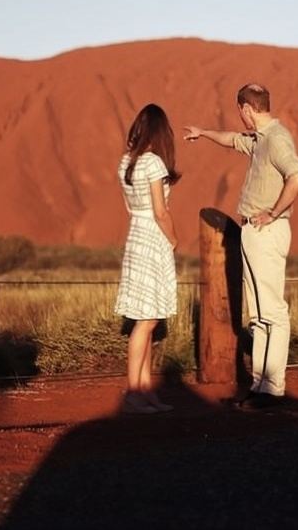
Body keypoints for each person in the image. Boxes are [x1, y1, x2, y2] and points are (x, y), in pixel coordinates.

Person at [183, 83, 298, 410]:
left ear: (247, 109)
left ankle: (273, 389)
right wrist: (203, 132)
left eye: (240, 111)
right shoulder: (259, 139)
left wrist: (273, 212)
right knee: (259, 315)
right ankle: (260, 386)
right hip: (252, 231)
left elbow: (297, 177)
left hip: (267, 230)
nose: (240, 117)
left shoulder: (276, 139)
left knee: (273, 313)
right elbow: (232, 140)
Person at [114, 103, 182, 414]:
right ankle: (133, 394)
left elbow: (131, 208)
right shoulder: (154, 163)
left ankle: (145, 391)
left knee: (148, 318)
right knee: (146, 321)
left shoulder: (127, 161)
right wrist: (173, 239)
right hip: (153, 237)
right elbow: (160, 211)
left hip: (136, 235)